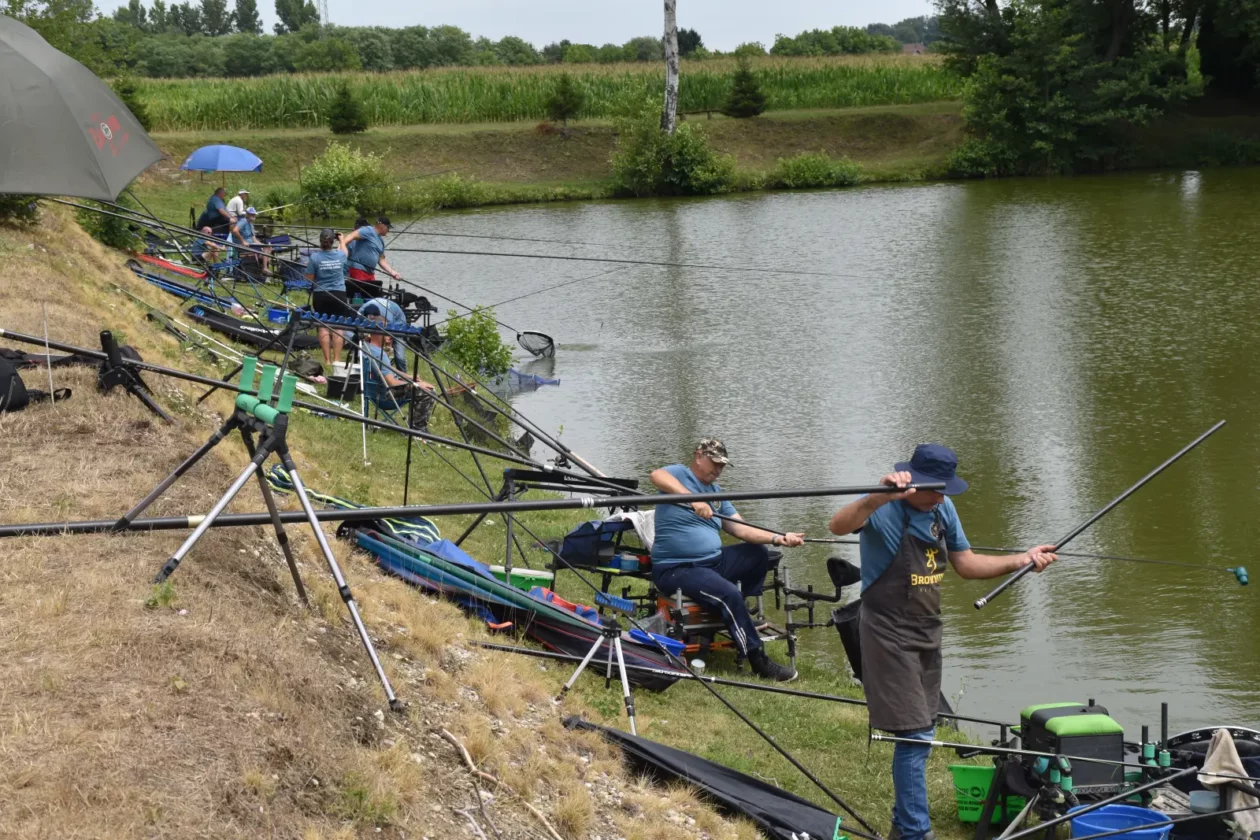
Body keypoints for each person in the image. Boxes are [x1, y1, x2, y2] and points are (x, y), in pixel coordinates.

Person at [827, 444, 1057, 840]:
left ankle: (902, 827)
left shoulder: (942, 510)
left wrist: (1021, 559)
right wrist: (876, 495)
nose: (942, 497)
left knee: (924, 728)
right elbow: (837, 526)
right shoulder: (883, 509)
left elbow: (966, 564)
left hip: (927, 629)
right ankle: (917, 833)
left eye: (945, 490)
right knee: (915, 736)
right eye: (936, 489)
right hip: (886, 631)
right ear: (913, 483)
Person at [649, 439, 804, 682]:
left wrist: (779, 537)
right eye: (715, 463)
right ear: (699, 456)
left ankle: (737, 610)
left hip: (714, 562)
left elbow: (742, 529)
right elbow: (656, 475)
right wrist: (693, 499)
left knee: (759, 554)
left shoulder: (718, 494)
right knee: (728, 593)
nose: (719, 469)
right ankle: (758, 660)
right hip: (678, 568)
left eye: (722, 465)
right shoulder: (679, 474)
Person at [305, 228, 351, 366]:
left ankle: (327, 361)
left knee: (323, 327)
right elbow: (345, 252)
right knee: (338, 327)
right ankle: (337, 359)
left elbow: (309, 279)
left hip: (321, 295)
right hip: (339, 294)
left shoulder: (314, 257)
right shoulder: (340, 256)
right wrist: (342, 240)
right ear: (332, 242)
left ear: (320, 242)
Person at [342, 216, 402, 300]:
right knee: (359, 297)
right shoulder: (368, 230)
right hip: (358, 270)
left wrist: (393, 272)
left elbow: (381, 260)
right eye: (388, 228)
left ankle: (370, 311)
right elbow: (351, 235)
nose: (388, 230)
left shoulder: (381, 241)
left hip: (370, 273)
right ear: (382, 226)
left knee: (372, 297)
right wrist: (342, 245)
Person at [231, 206, 270, 275]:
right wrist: (243, 241)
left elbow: (254, 239)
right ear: (247, 214)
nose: (253, 215)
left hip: (251, 245)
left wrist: (262, 245)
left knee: (268, 248)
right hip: (243, 246)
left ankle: (260, 272)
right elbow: (235, 230)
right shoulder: (243, 221)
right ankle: (264, 269)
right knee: (266, 249)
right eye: (251, 214)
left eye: (254, 214)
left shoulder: (251, 225)